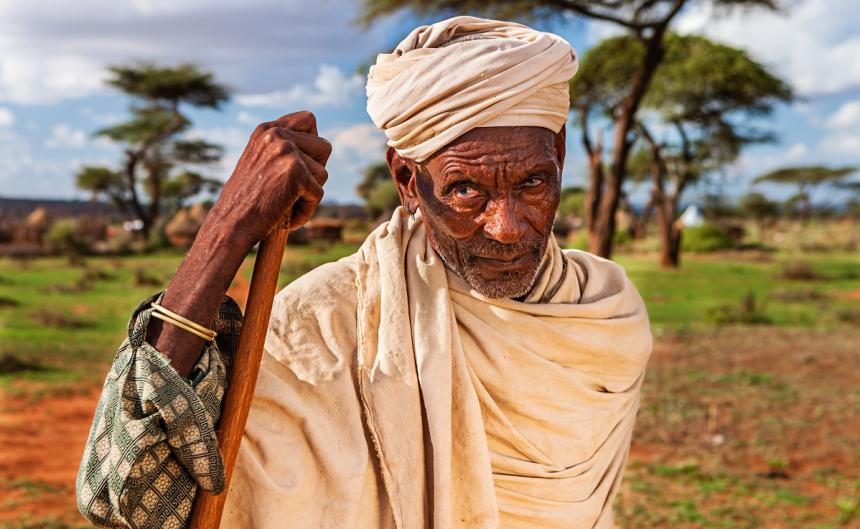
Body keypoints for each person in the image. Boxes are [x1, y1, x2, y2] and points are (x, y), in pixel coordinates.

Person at [76, 16, 651, 529]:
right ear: (407, 181)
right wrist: (228, 228)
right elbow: (124, 496)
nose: (506, 226)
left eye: (532, 182)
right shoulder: (326, 323)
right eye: (466, 189)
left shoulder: (604, 316)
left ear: (561, 156)